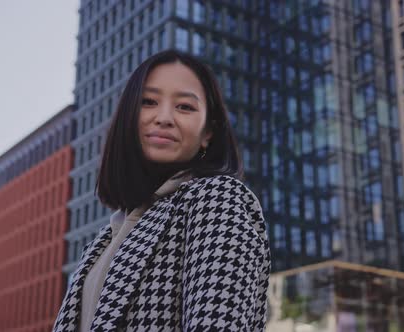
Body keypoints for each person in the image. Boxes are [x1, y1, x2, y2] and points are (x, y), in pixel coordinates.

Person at [52, 49, 270, 332]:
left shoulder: (218, 198)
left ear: (208, 134)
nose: (164, 117)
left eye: (185, 107)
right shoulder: (105, 239)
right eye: (149, 101)